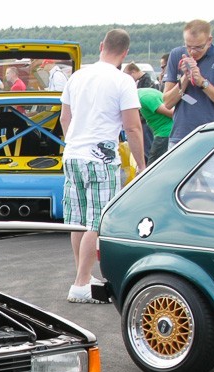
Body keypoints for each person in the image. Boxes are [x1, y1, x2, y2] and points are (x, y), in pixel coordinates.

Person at [60, 28, 145, 304]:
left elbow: (64, 118)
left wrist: (74, 142)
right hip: (101, 159)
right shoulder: (123, 81)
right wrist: (141, 164)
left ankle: (83, 276)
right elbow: (132, 127)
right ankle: (81, 283)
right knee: (95, 221)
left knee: (77, 221)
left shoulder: (77, 76)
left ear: (101, 46)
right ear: (125, 53)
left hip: (73, 155)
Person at [162, 19, 214, 147]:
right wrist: (185, 77)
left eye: (198, 47)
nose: (192, 52)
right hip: (181, 136)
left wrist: (202, 82)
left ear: (209, 41)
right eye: (188, 46)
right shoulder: (176, 54)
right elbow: (167, 103)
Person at [137, 87, 174, 162]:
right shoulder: (143, 93)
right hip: (163, 132)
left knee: (154, 166)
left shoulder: (145, 98)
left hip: (165, 133)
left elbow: (173, 113)